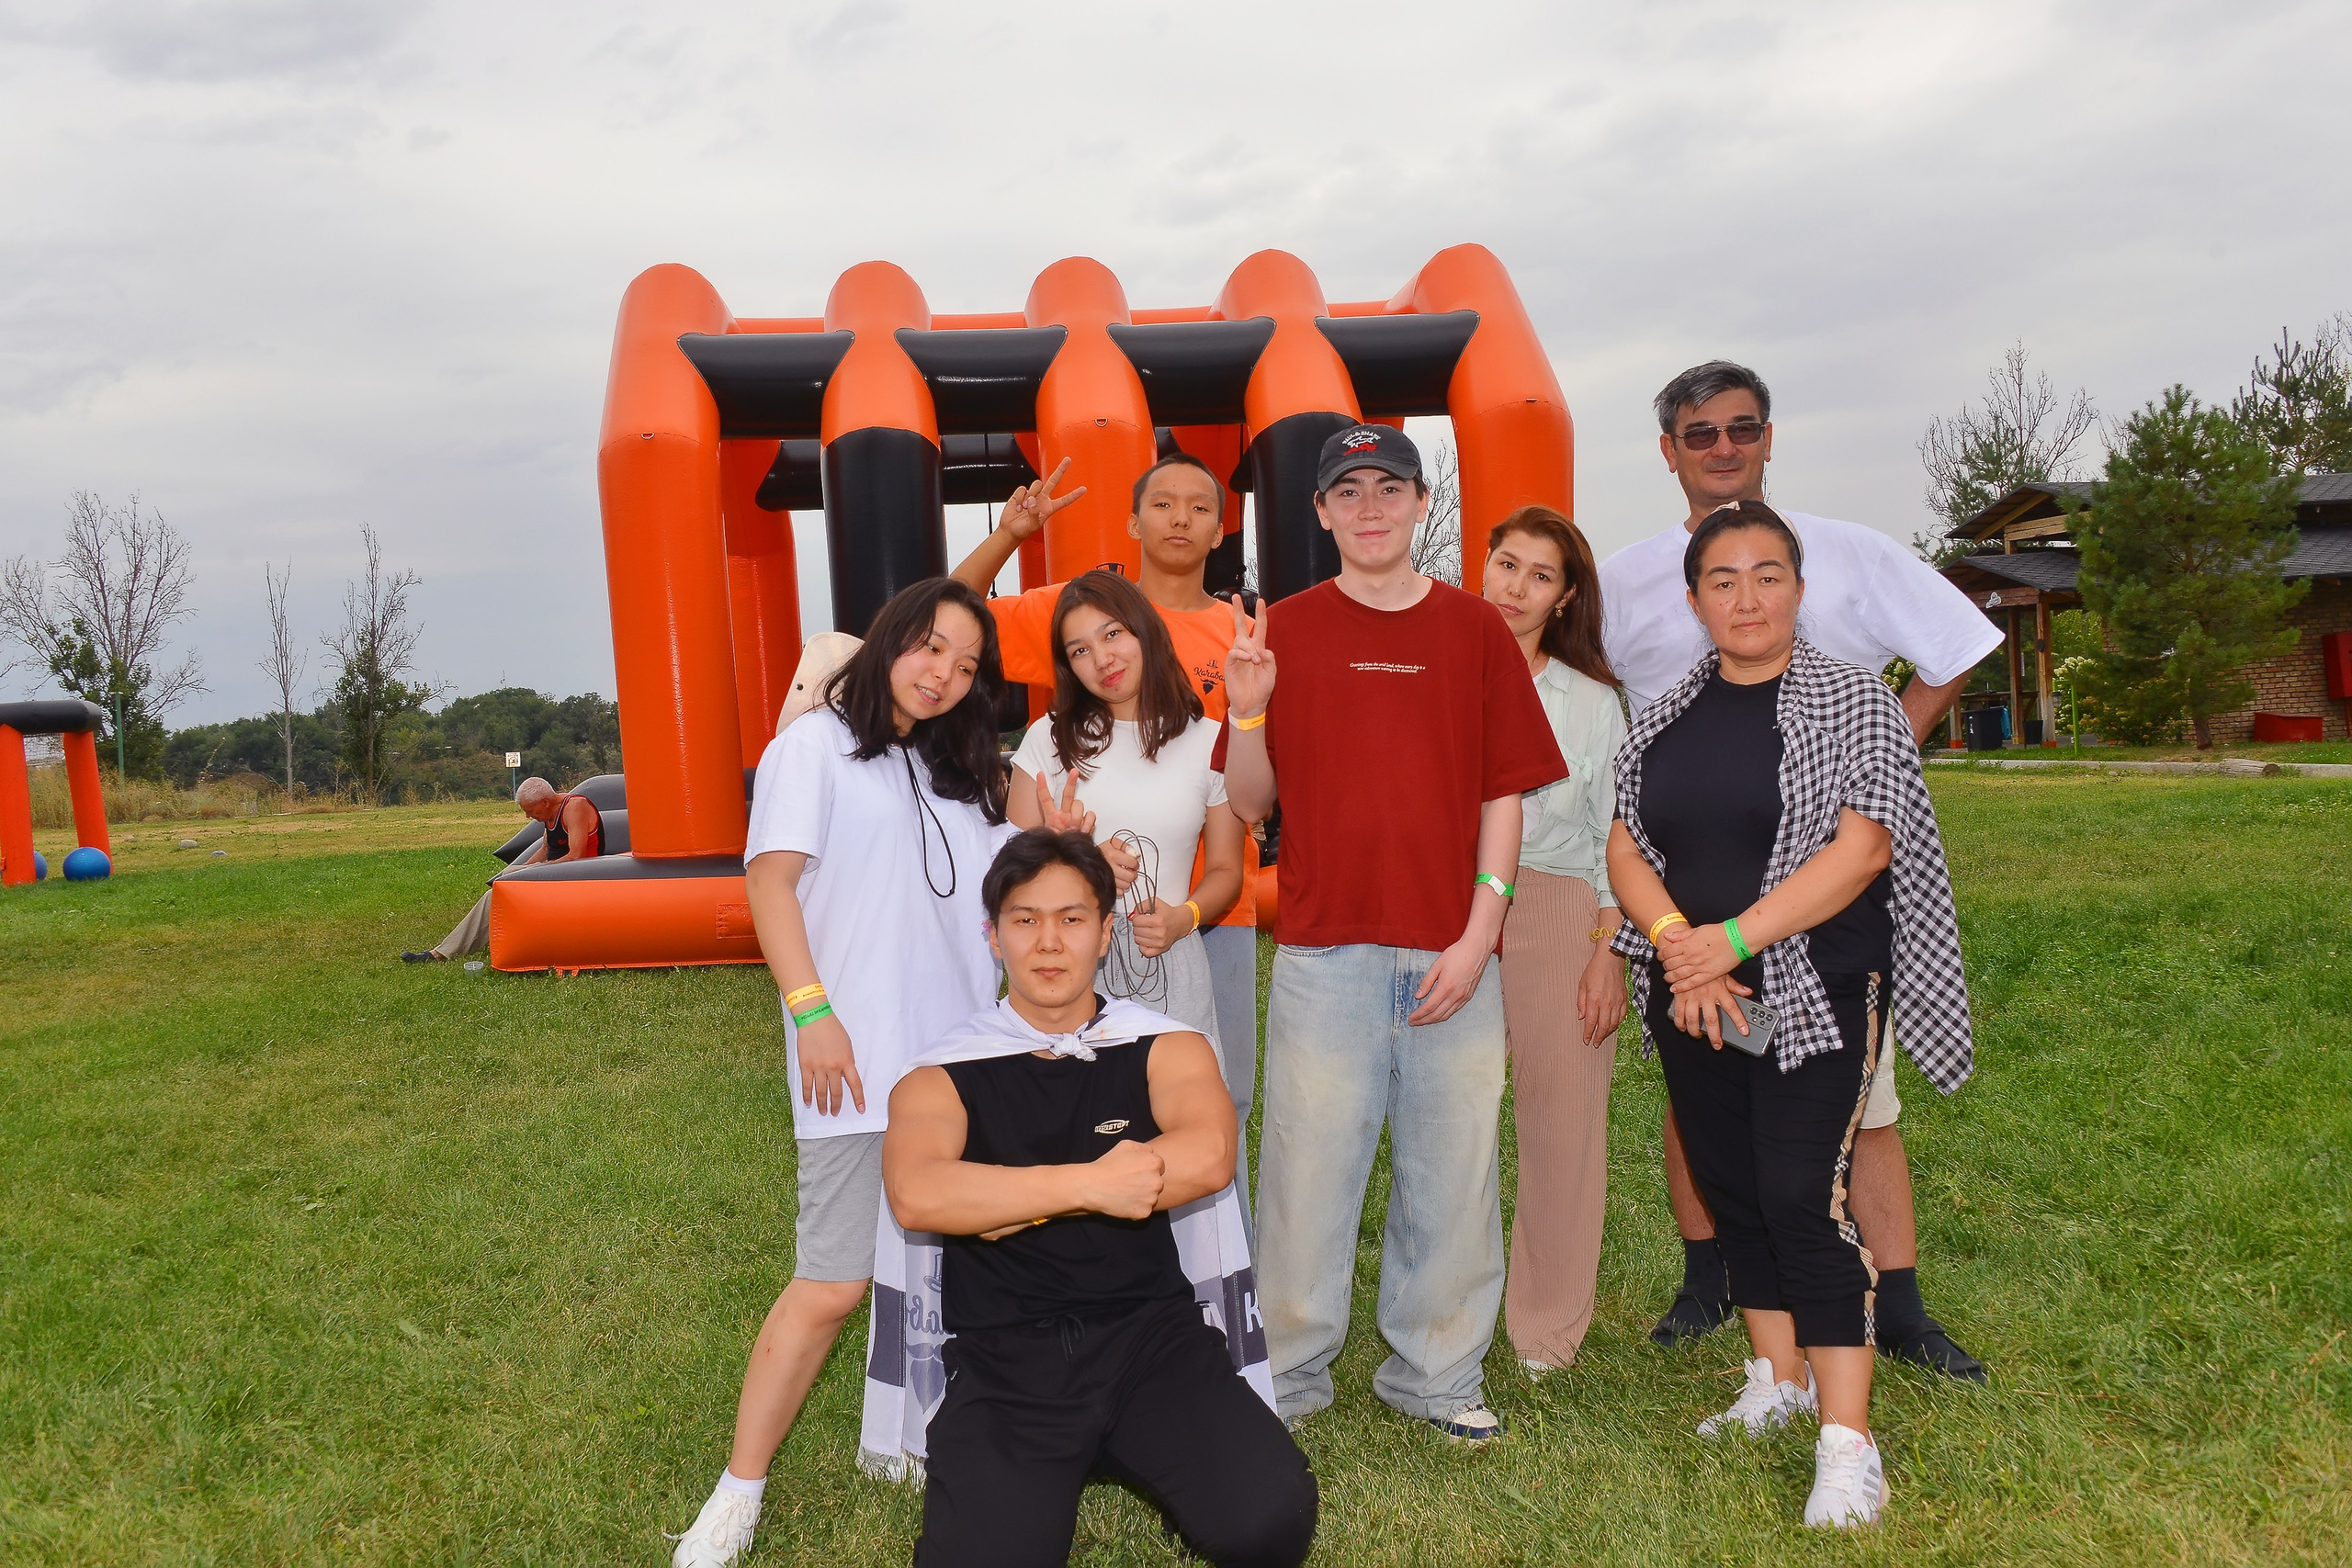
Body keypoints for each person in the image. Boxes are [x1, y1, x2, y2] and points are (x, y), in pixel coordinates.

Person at [1600, 359, 1998, 1379]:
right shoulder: (1629, 578)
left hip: (1821, 911)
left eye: (1742, 428)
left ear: (1769, 438)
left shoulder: (1849, 554)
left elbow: (1955, 643)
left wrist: (1882, 760)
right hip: (1684, 905)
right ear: (1668, 452)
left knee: (1858, 1116)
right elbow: (1590, 703)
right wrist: (1674, 939)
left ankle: (1896, 1305)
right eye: (1700, 434)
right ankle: (1714, 1284)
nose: (1723, 447)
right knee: (1707, 1119)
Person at [666, 579, 1026, 1568]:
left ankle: (927, 1442)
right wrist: (812, 1012)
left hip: (958, 1068)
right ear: (889, 640)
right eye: (931, 649)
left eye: (965, 666)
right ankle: (738, 1492)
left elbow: (1009, 896)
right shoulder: (811, 748)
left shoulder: (962, 772)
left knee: (968, 1270)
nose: (944, 675)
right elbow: (768, 882)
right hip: (853, 1066)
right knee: (831, 1283)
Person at [1218, 424, 1565, 1442]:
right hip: (1325, 948)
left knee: (1452, 1171)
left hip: (1453, 947)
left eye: (1390, 488)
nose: (1369, 508)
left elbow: (1505, 795)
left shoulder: (1473, 631)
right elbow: (1248, 805)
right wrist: (1246, 715)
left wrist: (1479, 931)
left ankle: (1437, 1375)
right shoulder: (1280, 630)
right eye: (1348, 491)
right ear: (1321, 512)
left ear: (1422, 505)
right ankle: (1285, 1376)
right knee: (1304, 1174)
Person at [882, 829, 1317, 1568]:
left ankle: (1150, 1457)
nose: (1049, 942)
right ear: (995, 936)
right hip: (1005, 1358)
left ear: (1106, 929)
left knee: (1270, 1523)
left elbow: (1209, 1157)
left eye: (1073, 918)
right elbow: (920, 1193)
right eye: (1025, 919)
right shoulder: (942, 1072)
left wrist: (1005, 1203)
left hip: (1151, 1340)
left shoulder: (1163, 1045)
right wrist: (1093, 1183)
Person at [954, 453, 1267, 1212]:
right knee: (1074, 1114)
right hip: (1076, 947)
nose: (1101, 656)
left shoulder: (1246, 638)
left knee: (1213, 1108)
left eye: (1200, 506)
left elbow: (1253, 806)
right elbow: (942, 618)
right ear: (1133, 520)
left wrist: (1190, 912)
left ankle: (1224, 1294)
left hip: (1201, 931)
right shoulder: (1075, 622)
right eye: (1163, 503)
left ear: (1223, 526)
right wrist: (1007, 535)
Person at [1476, 505, 1628, 1374]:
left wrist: (1608, 948)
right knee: (1447, 1124)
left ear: (1565, 596)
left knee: (1562, 1127)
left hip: (1563, 909)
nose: (1517, 588)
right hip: (1450, 909)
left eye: (1540, 575)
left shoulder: (1593, 702)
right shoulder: (1439, 671)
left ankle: (1546, 1328)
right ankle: (1447, 1308)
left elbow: (1618, 828)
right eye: (1506, 564)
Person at [1008, 569, 1246, 1052]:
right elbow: (1002, 869)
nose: (1102, 659)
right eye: (1079, 651)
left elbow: (1226, 869)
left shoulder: (1210, 740)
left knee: (1181, 1117)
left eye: (1112, 633)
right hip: (1059, 967)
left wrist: (1185, 916)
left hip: (1169, 965)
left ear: (1145, 630)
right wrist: (1070, 855)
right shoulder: (1046, 740)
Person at [400, 776, 599, 963]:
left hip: (574, 880)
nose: (528, 816)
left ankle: (439, 954)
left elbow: (577, 856)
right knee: (504, 879)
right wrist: (519, 871)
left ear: (545, 802)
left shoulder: (575, 807)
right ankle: (445, 950)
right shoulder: (549, 813)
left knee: (492, 897)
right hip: (553, 876)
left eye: (530, 810)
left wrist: (536, 871)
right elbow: (546, 849)